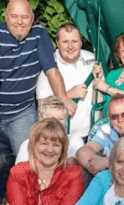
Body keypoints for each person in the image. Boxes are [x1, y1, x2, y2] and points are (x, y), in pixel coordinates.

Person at [0, 0, 75, 196]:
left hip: (22, 111)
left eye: (24, 17)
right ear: (6, 17)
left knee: (30, 162)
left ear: (32, 18)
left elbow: (51, 70)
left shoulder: (39, 35)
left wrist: (64, 99)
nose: (20, 22)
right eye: (14, 16)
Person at [36, 23, 97, 156]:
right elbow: (42, 108)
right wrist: (67, 95)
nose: (70, 47)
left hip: (93, 137)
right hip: (63, 140)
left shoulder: (92, 59)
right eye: (65, 42)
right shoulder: (49, 69)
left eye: (74, 41)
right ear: (57, 43)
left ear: (81, 42)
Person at [76, 94, 124, 175]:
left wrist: (107, 162)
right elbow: (82, 152)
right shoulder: (107, 130)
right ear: (109, 117)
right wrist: (94, 165)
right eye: (114, 116)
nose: (120, 120)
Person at [15, 96, 72, 164]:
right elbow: (20, 172)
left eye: (60, 119)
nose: (56, 123)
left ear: (66, 120)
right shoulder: (27, 144)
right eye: (51, 119)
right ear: (41, 119)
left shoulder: (74, 142)